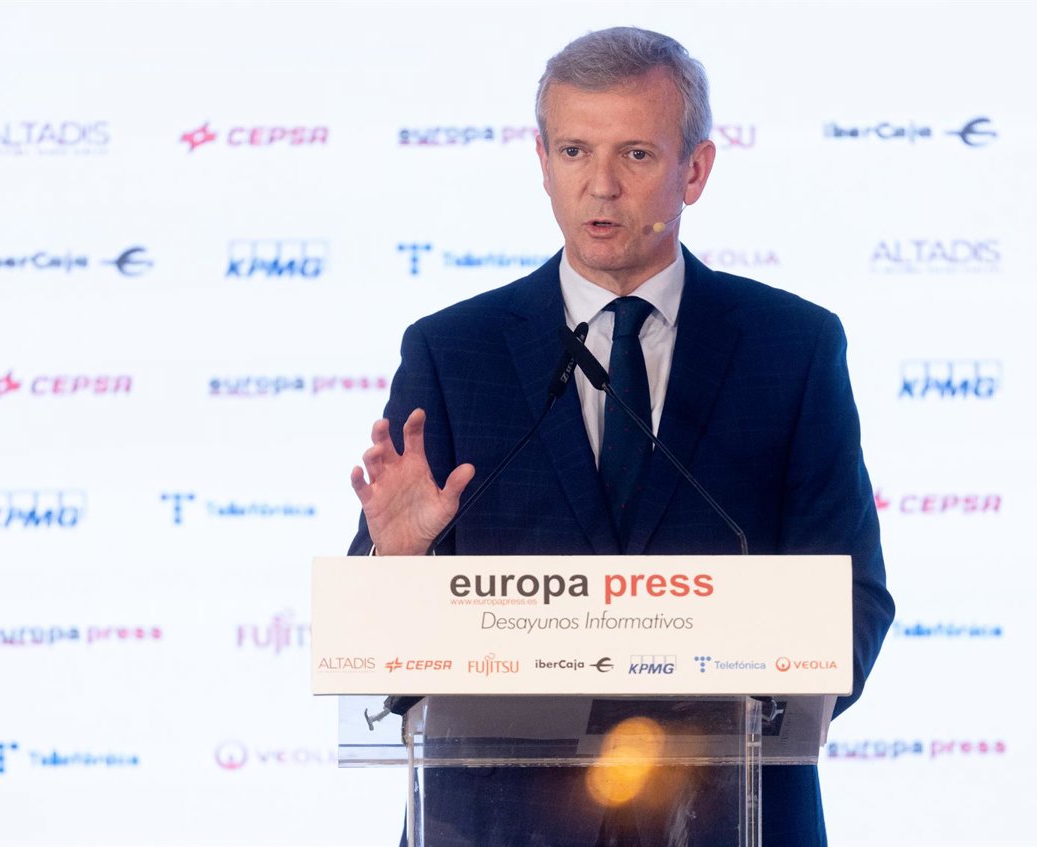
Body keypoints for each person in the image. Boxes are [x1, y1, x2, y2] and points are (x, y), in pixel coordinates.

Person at [349, 26, 894, 847]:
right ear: (542, 161)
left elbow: (852, 600)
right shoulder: (453, 351)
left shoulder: (793, 347)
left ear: (695, 170)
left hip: (724, 815)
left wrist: (742, 696)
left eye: (636, 155)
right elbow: (375, 644)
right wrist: (396, 564)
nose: (599, 185)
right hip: (502, 825)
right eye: (574, 151)